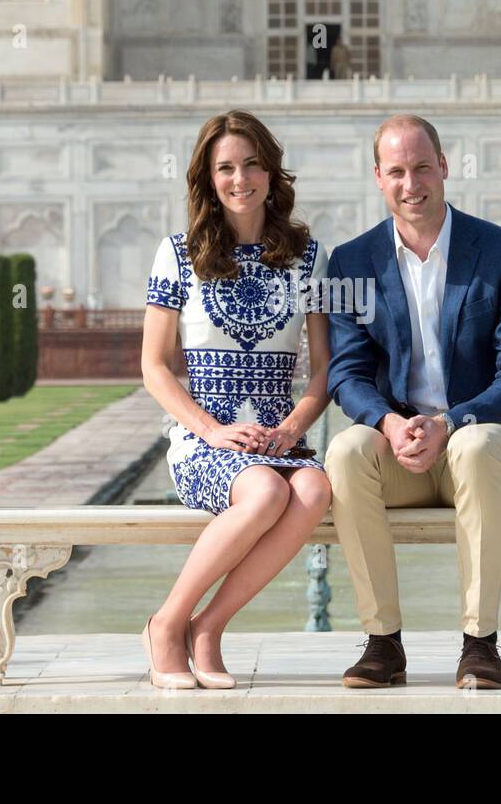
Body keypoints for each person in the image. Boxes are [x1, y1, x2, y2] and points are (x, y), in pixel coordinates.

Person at [323, 114, 501, 690]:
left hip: (486, 445)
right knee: (347, 451)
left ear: (444, 167)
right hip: (404, 451)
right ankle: (383, 643)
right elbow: (346, 376)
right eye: (396, 171)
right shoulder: (351, 264)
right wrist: (390, 424)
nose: (411, 183)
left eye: (422, 167)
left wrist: (451, 422)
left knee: (472, 445)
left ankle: (479, 645)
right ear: (378, 177)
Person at [139, 109, 333, 690]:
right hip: (206, 440)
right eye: (226, 167)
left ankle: (209, 627)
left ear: (272, 174)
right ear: (208, 177)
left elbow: (324, 369)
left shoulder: (306, 257)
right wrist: (212, 431)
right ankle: (167, 623)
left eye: (251, 165)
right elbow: (154, 367)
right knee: (267, 488)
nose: (240, 179)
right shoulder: (178, 254)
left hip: (276, 437)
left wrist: (296, 427)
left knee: (316, 487)